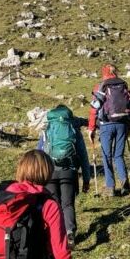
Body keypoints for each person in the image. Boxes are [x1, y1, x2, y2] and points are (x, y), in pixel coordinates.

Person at [37, 105, 92, 248]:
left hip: (50, 172)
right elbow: (84, 156)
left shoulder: (47, 130)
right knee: (67, 203)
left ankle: (55, 236)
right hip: (69, 169)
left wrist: (38, 178)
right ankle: (70, 232)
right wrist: (86, 179)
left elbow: (39, 153)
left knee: (54, 205)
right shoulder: (73, 130)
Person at [88, 63, 130, 196]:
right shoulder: (123, 85)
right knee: (118, 155)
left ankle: (110, 187)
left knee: (106, 156)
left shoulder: (101, 86)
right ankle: (124, 182)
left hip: (106, 125)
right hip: (122, 124)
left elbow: (94, 109)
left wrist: (91, 128)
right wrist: (129, 127)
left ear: (103, 72)